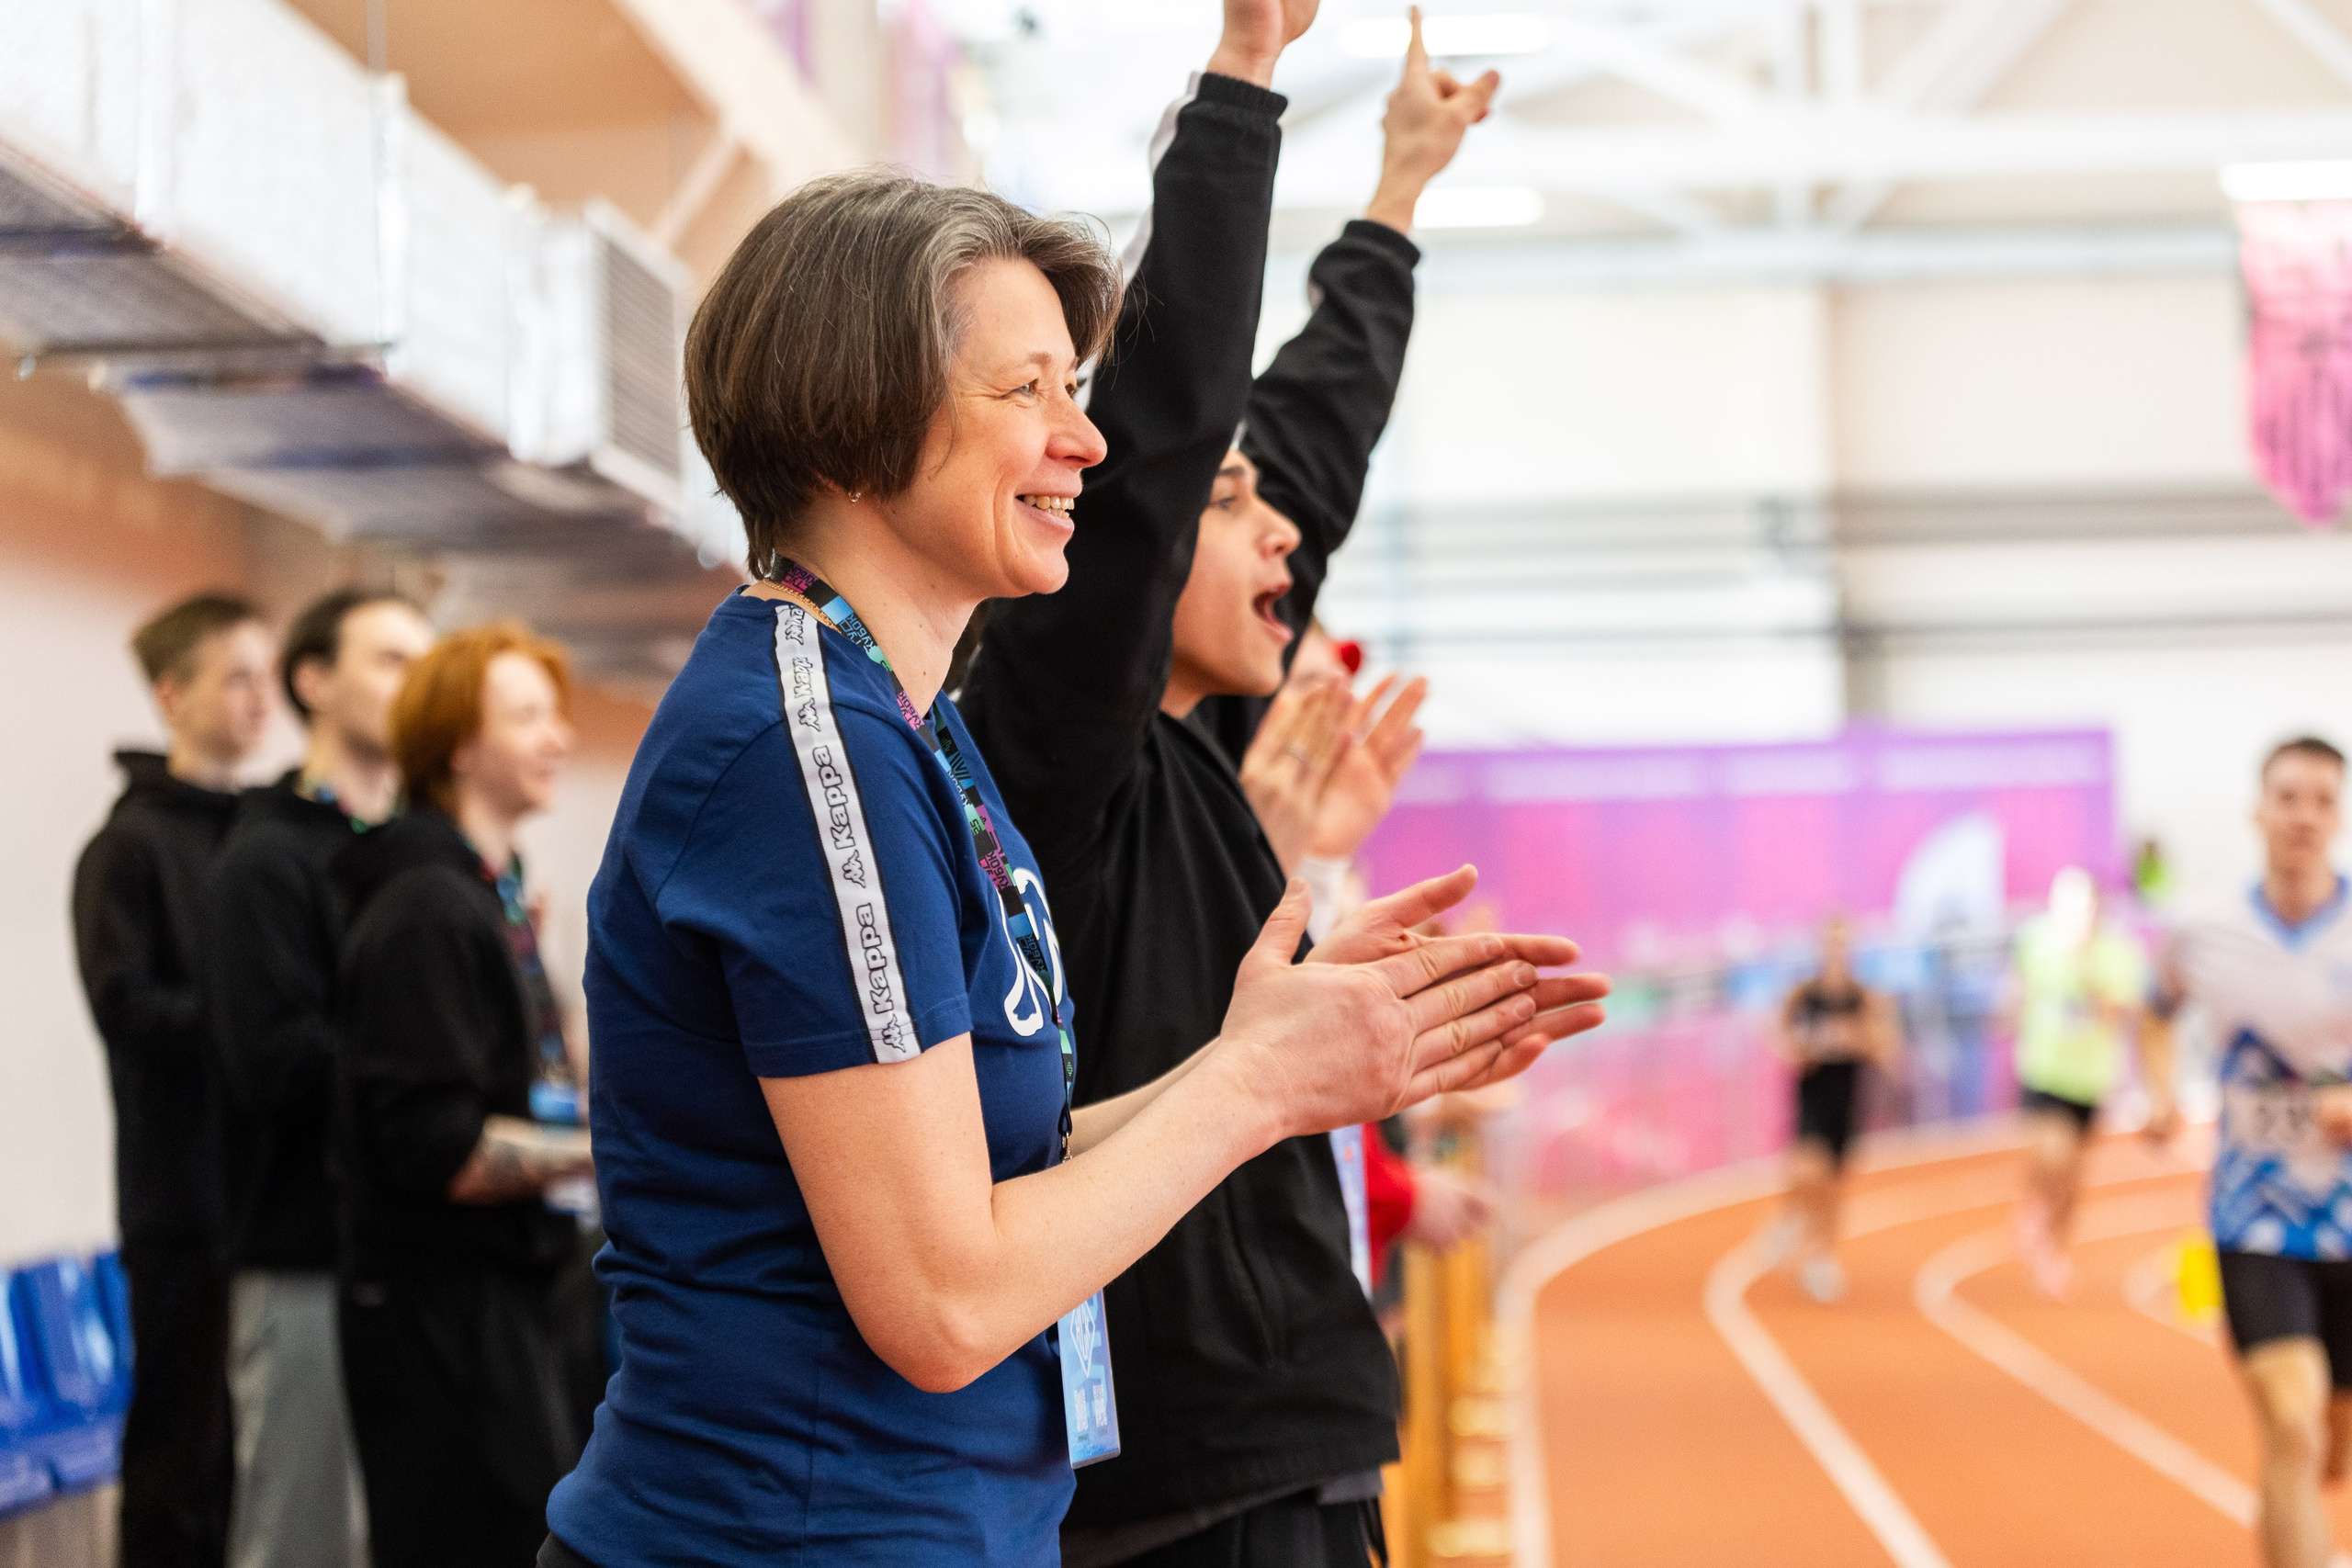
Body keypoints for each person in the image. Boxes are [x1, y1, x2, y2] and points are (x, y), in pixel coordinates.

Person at [539, 91, 1581, 1567]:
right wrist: (1249, 1092)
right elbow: (946, 1298)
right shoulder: (798, 744)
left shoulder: (902, 721)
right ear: (863, 410)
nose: (1084, 439)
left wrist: (1263, 1061)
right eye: (1028, 391)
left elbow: (990, 1173)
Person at [957, 13, 1587, 1565]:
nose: (1285, 538)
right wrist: (1245, 69)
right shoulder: (1050, 746)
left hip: (1283, 1450)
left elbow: (1304, 441)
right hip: (1184, 1486)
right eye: (1226, 509)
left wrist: (1398, 194)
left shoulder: (1193, 753)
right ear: (1143, 539)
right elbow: (1170, 427)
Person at [331, 624, 591, 1568]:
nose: (557, 735)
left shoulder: (487, 899)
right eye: (527, 716)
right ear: (459, 747)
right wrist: (614, 1150)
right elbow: (438, 1149)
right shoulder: (425, 909)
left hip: (504, 1303)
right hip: (440, 1321)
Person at [207, 587, 433, 1568]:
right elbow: (275, 1066)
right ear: (314, 680)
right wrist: (435, 1080)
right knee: (302, 1542)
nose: (415, 683)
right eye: (389, 658)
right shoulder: (266, 859)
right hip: (305, 1259)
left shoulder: (421, 856)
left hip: (415, 1261)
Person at [71, 592, 274, 1568]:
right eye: (234, 677)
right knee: (180, 1459)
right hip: (181, 1204)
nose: (259, 700)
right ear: (171, 693)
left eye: (266, 677)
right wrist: (249, 1023)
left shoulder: (265, 839)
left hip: (268, 1199)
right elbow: (129, 1011)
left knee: (251, 1462)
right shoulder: (128, 850)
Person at [2143, 736, 2352, 1568]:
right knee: (2291, 1420)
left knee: (2333, 1439)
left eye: (2322, 800)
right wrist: (2162, 1092)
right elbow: (2154, 1012)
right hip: (2253, 1217)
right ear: (2257, 811)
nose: (2304, 815)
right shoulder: (2204, 928)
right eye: (2288, 796)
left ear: (2338, 816)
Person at [2006, 865, 2154, 1299]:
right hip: (2043, 1068)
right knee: (2053, 1154)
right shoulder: (2036, 941)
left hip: (2089, 1078)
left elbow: (2120, 1011)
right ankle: (2035, 1207)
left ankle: (2057, 1247)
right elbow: (2019, 991)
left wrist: (2087, 977)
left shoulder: (2117, 953)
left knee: (2072, 1174)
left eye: (2087, 907)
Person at [1765, 915, 1898, 1304]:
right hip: (1812, 1092)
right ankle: (1794, 1225)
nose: (1837, 952)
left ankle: (1822, 1256)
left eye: (1844, 945)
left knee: (1834, 1184)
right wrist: (1803, 1047)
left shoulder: (1866, 998)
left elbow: (1886, 1045)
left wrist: (1856, 1040)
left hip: (1848, 1096)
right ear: (1821, 949)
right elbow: (1780, 1035)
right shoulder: (1804, 995)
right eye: (1831, 944)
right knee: (1809, 1168)